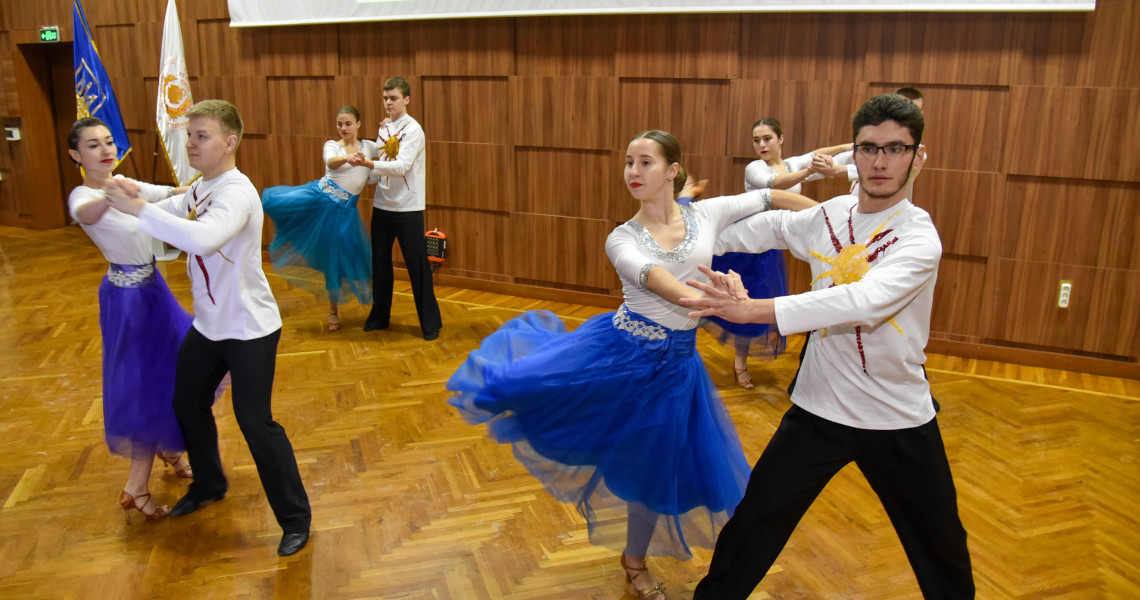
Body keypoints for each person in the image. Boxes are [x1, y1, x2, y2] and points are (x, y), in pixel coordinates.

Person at [447, 130, 813, 600]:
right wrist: (725, 301)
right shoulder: (621, 238)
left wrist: (833, 218)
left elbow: (770, 196)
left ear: (672, 170)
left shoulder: (706, 213)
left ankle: (633, 558)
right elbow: (663, 285)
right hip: (622, 357)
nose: (633, 173)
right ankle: (636, 563)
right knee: (617, 450)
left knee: (656, 470)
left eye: (645, 163)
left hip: (678, 368)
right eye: (628, 163)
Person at [681, 94, 973, 598]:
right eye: (869, 148)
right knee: (755, 523)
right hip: (819, 408)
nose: (881, 162)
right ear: (852, 156)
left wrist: (756, 310)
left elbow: (864, 300)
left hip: (895, 415)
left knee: (941, 547)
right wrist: (685, 238)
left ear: (917, 157)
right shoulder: (831, 215)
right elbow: (772, 227)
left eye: (896, 149)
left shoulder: (919, 237)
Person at [103, 99, 312, 557]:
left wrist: (137, 206)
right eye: (189, 133)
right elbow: (176, 199)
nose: (190, 142)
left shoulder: (237, 193)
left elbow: (200, 236)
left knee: (256, 423)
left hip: (250, 329)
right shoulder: (206, 185)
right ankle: (209, 484)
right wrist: (136, 189)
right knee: (186, 402)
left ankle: (296, 519)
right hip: (211, 327)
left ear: (229, 142)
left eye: (202, 135)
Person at [66, 117, 192, 523]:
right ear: (76, 155)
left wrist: (203, 185)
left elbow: (169, 194)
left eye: (107, 141)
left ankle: (169, 450)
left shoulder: (124, 182)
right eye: (92, 145)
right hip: (127, 300)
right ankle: (137, 486)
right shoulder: (82, 195)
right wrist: (114, 195)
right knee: (147, 384)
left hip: (154, 291)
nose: (104, 149)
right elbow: (86, 215)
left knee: (173, 370)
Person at [708, 118, 846, 389]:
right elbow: (776, 185)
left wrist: (851, 146)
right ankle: (738, 365)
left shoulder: (793, 163)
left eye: (767, 138)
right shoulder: (754, 168)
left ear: (780, 139)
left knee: (754, 304)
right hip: (745, 247)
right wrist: (808, 171)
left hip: (770, 247)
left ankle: (740, 362)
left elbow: (822, 152)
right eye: (756, 140)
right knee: (736, 300)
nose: (761, 144)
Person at [262, 105, 375, 331]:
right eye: (340, 124)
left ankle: (348, 308)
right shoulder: (333, 146)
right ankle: (332, 312)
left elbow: (388, 151)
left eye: (348, 123)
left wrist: (387, 128)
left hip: (345, 213)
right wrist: (348, 158)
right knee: (330, 259)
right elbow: (330, 161)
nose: (343, 128)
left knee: (340, 259)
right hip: (320, 201)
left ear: (359, 124)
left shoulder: (370, 147)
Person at [362, 77, 442, 340]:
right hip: (382, 207)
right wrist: (360, 174)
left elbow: (401, 166)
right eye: (385, 98)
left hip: (408, 209)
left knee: (417, 266)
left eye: (393, 98)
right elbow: (384, 164)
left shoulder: (414, 130)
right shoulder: (384, 129)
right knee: (380, 265)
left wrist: (368, 164)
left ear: (406, 100)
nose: (388, 103)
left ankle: (430, 323)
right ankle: (379, 317)